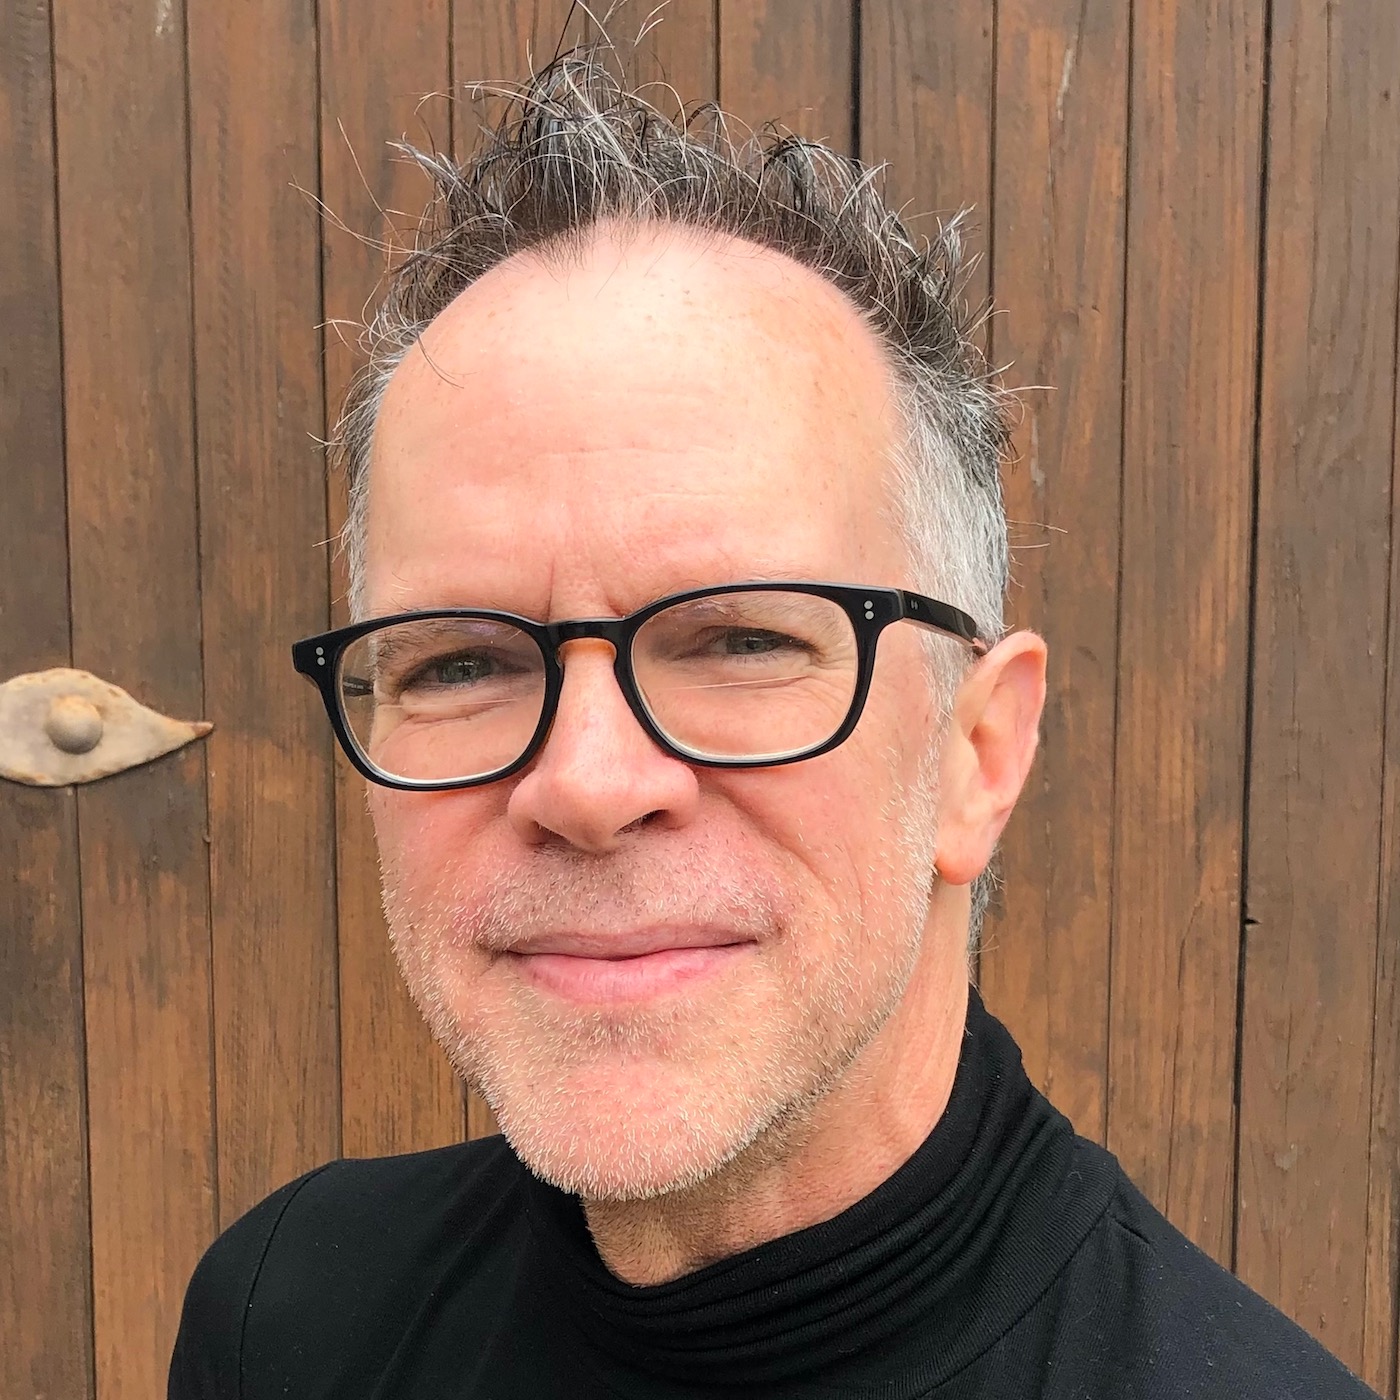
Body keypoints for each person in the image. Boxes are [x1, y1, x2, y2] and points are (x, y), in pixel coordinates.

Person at [168, 46, 1378, 1400]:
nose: (587, 781)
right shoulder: (291, 1315)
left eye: (743, 640)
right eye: (458, 662)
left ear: (980, 752)